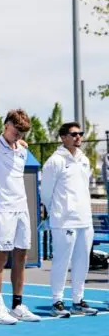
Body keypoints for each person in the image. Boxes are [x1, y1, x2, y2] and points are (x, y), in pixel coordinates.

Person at [0, 109, 42, 323]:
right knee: (1, 256)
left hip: (22, 209)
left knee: (21, 256)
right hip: (2, 210)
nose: (19, 136)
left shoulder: (22, 150)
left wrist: (20, 142)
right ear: (6, 125)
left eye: (22, 133)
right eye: (16, 131)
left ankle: (17, 305)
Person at [41, 122, 98, 316]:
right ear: (63, 137)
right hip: (63, 220)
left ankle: (77, 300)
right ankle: (57, 301)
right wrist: (55, 212)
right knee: (61, 262)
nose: (78, 137)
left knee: (83, 261)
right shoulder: (55, 161)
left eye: (80, 134)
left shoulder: (84, 159)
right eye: (74, 134)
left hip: (85, 219)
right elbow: (46, 193)